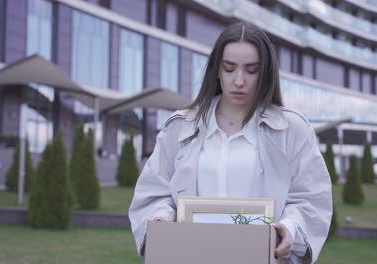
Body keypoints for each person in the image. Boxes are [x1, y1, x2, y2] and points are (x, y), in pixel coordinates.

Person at [129, 22, 332, 264]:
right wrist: (160, 220)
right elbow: (154, 193)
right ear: (217, 69)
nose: (238, 80)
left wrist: (289, 228)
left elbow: (311, 199)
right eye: (229, 68)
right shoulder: (179, 127)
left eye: (251, 70)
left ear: (265, 72)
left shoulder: (293, 129)